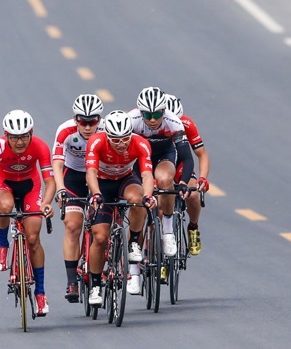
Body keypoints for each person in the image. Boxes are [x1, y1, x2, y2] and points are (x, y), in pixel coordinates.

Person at [0, 109, 55, 317]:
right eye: (14, 137)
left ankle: (40, 293)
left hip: (31, 186)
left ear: (31, 133)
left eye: (24, 136)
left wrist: (47, 204)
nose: (20, 142)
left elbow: (50, 181)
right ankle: (3, 245)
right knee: (3, 207)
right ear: (6, 135)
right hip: (4, 185)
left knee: (33, 238)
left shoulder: (40, 146)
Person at [84, 110, 156, 305]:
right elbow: (90, 172)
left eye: (125, 138)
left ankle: (133, 241)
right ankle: (96, 285)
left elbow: (147, 175)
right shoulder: (96, 142)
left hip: (125, 179)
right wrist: (96, 194)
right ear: (107, 136)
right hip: (102, 183)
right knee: (99, 237)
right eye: (115, 140)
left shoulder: (140, 143)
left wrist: (149, 196)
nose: (121, 143)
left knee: (138, 199)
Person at [129, 87, 195, 264]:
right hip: (138, 159)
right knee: (138, 205)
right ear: (140, 112)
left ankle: (167, 230)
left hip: (163, 155)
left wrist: (182, 182)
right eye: (147, 115)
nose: (152, 120)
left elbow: (187, 158)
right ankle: (133, 268)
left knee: (165, 180)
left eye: (157, 115)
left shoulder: (173, 122)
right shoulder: (131, 121)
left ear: (164, 112)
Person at [52, 94, 104, 303]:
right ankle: (72, 280)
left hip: (100, 176)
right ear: (75, 119)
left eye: (93, 121)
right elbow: (56, 163)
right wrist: (60, 189)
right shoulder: (65, 131)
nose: (88, 126)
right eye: (83, 121)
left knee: (102, 228)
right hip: (72, 176)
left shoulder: (108, 130)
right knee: (73, 226)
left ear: (99, 120)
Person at [164, 93, 210, 256]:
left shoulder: (187, 123)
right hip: (161, 164)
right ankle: (154, 249)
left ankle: (193, 227)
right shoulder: (152, 124)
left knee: (193, 194)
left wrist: (202, 178)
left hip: (181, 164)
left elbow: (201, 154)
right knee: (157, 204)